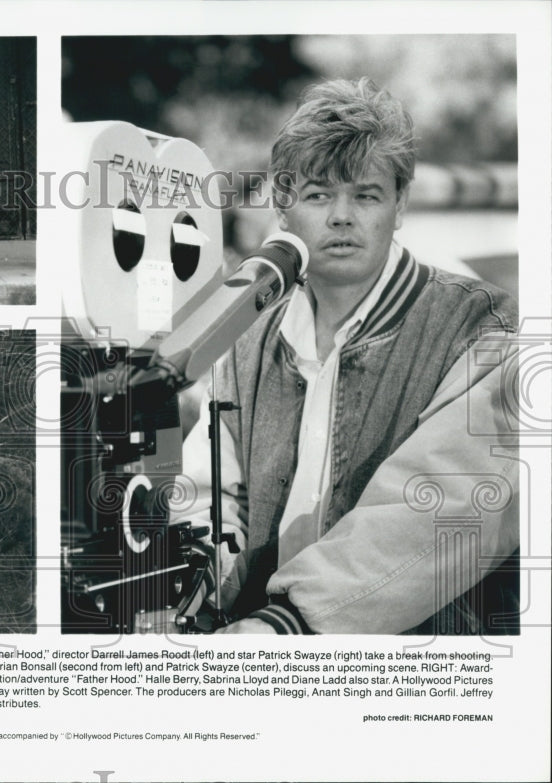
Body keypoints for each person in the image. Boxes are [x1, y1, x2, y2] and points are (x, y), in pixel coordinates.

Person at [179, 77, 519, 635]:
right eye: (318, 194)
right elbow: (210, 496)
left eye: (366, 194)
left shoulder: (482, 324)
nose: (342, 216)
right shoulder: (246, 337)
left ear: (400, 203)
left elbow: (444, 509)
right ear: (283, 209)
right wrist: (190, 592)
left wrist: (285, 625)